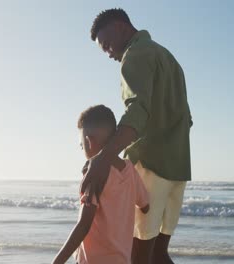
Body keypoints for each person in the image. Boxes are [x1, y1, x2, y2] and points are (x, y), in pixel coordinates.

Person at [82, 8, 193, 264]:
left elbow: (137, 112)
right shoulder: (168, 57)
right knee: (158, 254)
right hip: (177, 169)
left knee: (138, 258)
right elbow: (186, 118)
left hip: (150, 168)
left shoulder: (134, 55)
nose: (108, 52)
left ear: (121, 26)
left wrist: (103, 158)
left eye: (107, 44)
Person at [52, 105, 149, 264]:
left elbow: (83, 226)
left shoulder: (94, 175)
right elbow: (145, 205)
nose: (82, 149)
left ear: (89, 141)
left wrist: (56, 262)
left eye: (82, 145)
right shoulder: (130, 169)